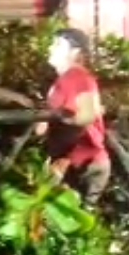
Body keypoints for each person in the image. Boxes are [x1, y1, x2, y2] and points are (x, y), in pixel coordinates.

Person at [34, 28, 110, 205]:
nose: (51, 48)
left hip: (82, 165)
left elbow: (86, 117)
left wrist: (65, 161)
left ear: (75, 52)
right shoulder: (64, 81)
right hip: (75, 163)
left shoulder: (76, 77)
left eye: (58, 45)